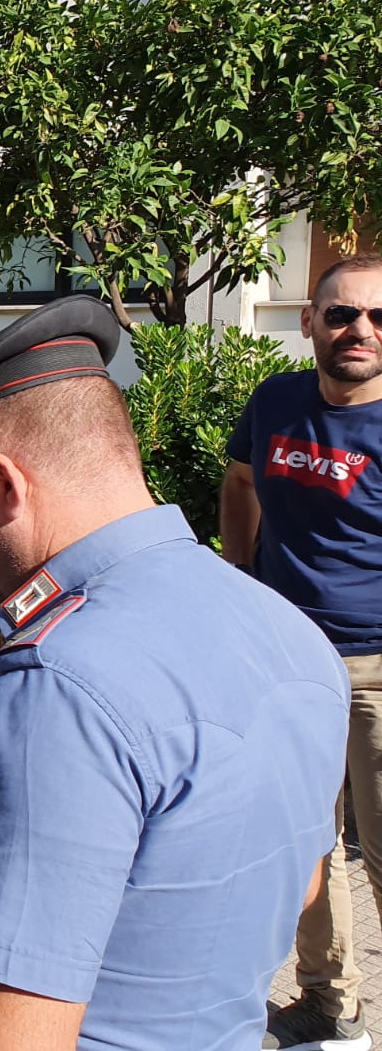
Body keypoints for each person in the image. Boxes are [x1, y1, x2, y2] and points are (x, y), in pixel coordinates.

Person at [0, 295, 348, 1051]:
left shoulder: (56, 691)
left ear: (7, 486)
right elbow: (297, 879)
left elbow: (3, 1038)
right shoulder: (291, 633)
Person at [220, 253, 382, 1051]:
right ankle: (330, 1004)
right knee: (308, 840)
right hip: (288, 663)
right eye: (344, 313)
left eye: (378, 318)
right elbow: (243, 483)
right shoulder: (276, 401)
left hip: (378, 671)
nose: (361, 330)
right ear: (308, 322)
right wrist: (239, 580)